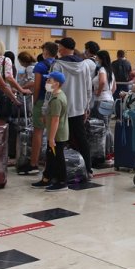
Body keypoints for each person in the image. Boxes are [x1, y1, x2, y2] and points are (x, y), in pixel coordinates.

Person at [51, 37, 95, 176]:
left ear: (62, 48)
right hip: (79, 107)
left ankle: (59, 173)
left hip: (61, 108)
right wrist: (86, 107)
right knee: (81, 139)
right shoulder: (84, 65)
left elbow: (51, 87)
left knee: (59, 140)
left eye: (59, 47)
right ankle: (88, 168)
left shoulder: (57, 65)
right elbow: (89, 88)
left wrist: (47, 106)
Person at [19, 42, 58, 175]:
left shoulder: (40, 66)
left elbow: (36, 86)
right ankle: (51, 163)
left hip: (42, 100)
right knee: (54, 134)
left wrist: (35, 101)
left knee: (38, 132)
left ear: (45, 52)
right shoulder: (59, 64)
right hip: (57, 101)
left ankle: (34, 164)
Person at [31, 71, 69, 192]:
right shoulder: (54, 95)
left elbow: (55, 120)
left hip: (57, 134)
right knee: (51, 157)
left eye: (49, 80)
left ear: (56, 83)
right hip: (54, 133)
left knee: (58, 158)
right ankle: (47, 178)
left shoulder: (57, 99)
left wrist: (51, 138)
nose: (46, 82)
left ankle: (62, 182)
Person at [0, 39, 24, 122]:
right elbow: (9, 77)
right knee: (2, 118)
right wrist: (20, 89)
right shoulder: (6, 60)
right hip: (2, 91)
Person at [93, 50, 117, 121]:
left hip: (101, 99)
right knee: (106, 124)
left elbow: (102, 81)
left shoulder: (102, 69)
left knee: (100, 125)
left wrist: (99, 93)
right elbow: (114, 87)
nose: (95, 59)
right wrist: (108, 94)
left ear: (101, 59)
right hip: (110, 99)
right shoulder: (110, 70)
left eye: (96, 58)